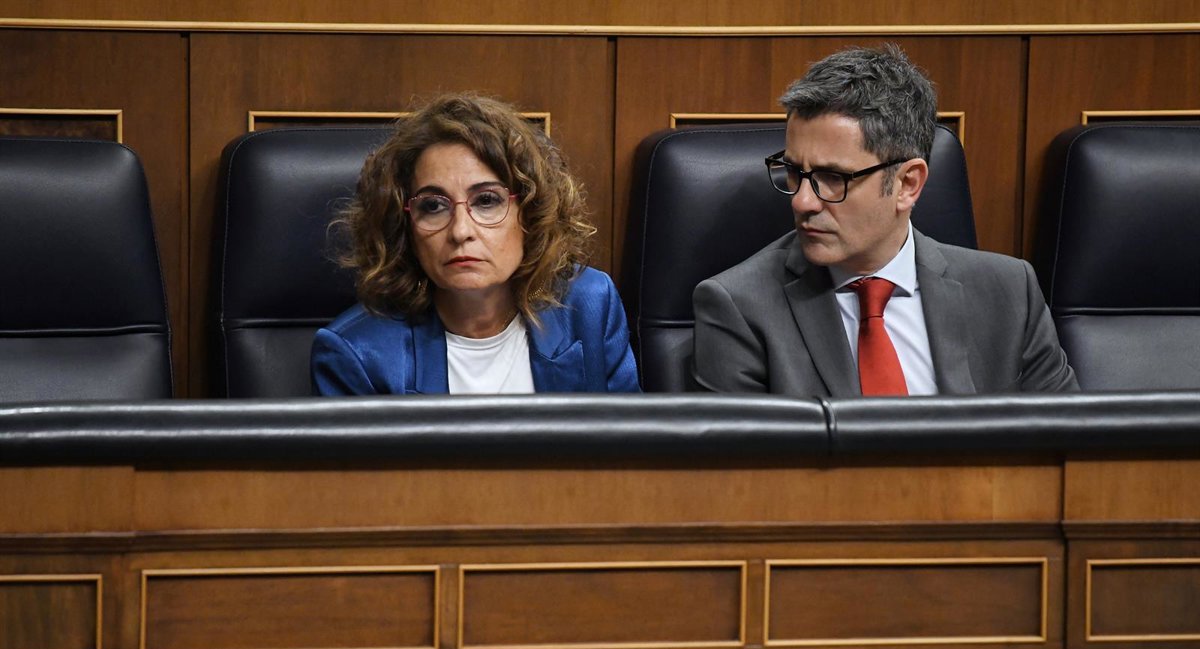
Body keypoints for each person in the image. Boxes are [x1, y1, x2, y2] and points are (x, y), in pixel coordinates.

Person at [691, 44, 1077, 396]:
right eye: (794, 172)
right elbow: (747, 454)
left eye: (833, 177)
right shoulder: (740, 306)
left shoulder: (1009, 293)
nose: (803, 201)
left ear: (908, 184)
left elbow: (1068, 438)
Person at [312, 93, 639, 395]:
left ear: (530, 213)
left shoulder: (590, 306)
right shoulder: (358, 354)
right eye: (433, 206)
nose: (460, 231)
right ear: (405, 226)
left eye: (486, 201)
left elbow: (629, 438)